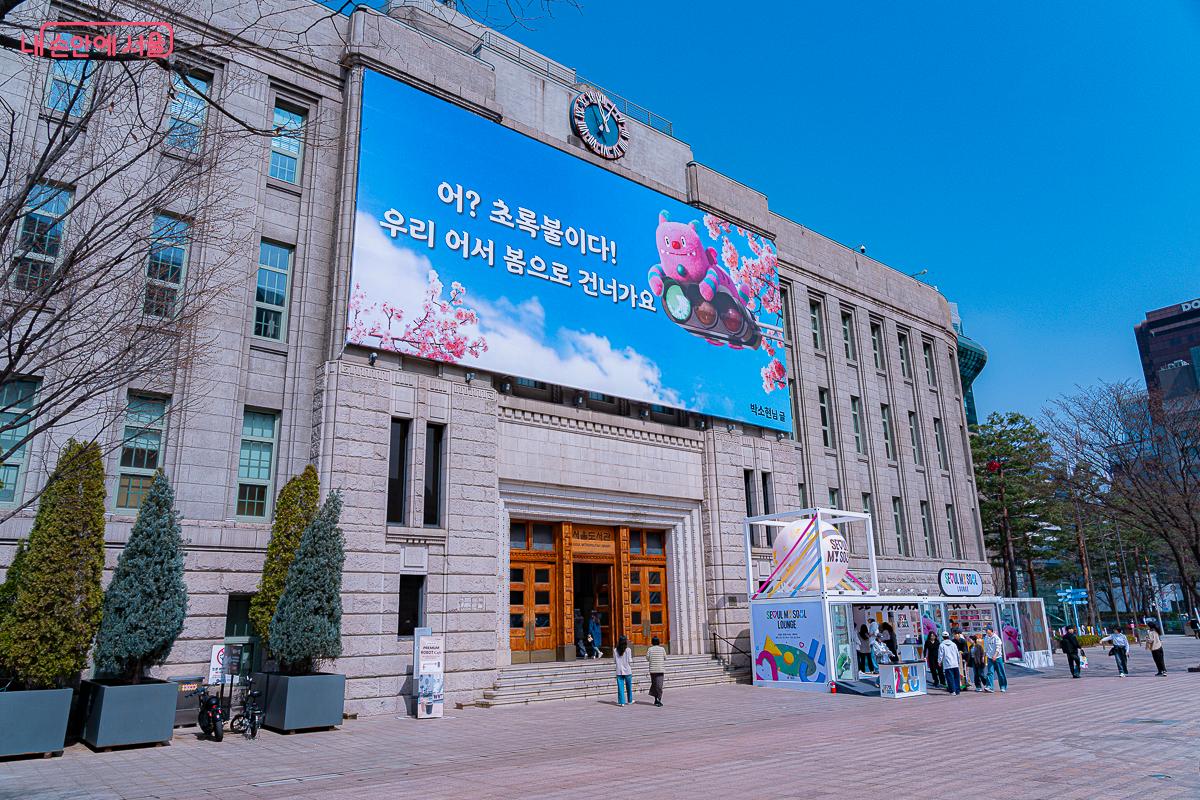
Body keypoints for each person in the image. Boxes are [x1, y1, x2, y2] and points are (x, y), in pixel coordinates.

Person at [983, 625, 1008, 693]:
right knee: (990, 672)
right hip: (990, 658)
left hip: (997, 658)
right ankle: (989, 686)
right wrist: (984, 656)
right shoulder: (986, 638)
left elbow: (998, 648)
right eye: (985, 630)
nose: (985, 631)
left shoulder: (996, 638)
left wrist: (995, 655)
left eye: (987, 629)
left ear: (991, 630)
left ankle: (1003, 686)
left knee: (1000, 672)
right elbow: (985, 648)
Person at [937, 631, 961, 695]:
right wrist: (958, 661)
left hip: (947, 664)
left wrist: (939, 661)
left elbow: (940, 654)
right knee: (956, 677)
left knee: (950, 678)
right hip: (955, 663)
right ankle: (957, 690)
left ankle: (952, 691)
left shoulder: (942, 645)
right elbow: (957, 653)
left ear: (942, 637)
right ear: (948, 636)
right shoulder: (953, 644)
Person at [646, 636, 667, 706]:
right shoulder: (662, 649)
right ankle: (658, 700)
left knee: (655, 685)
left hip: (653, 670)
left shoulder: (650, 649)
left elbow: (647, 658)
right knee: (659, 686)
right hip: (659, 670)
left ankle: (657, 699)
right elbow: (665, 658)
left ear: (652, 642)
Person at [613, 635, 633, 706]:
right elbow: (630, 660)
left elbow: (615, 661)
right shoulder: (628, 650)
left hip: (619, 670)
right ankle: (630, 700)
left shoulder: (615, 650)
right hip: (627, 670)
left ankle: (622, 702)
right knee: (629, 686)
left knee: (620, 687)